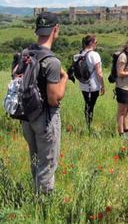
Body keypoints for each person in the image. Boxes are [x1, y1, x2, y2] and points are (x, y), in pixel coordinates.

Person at [21, 12, 68, 194]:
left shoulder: (26, 53)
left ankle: (36, 194)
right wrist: (64, 79)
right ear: (55, 29)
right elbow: (54, 98)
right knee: (47, 164)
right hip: (46, 119)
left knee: (35, 160)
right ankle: (43, 205)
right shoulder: (52, 62)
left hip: (27, 117)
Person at [77, 35, 105, 130]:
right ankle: (88, 127)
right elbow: (99, 73)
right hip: (93, 86)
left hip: (83, 84)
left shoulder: (80, 54)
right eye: (96, 42)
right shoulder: (94, 55)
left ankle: (87, 125)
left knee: (87, 104)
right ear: (91, 43)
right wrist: (103, 86)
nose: (97, 44)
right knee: (90, 106)